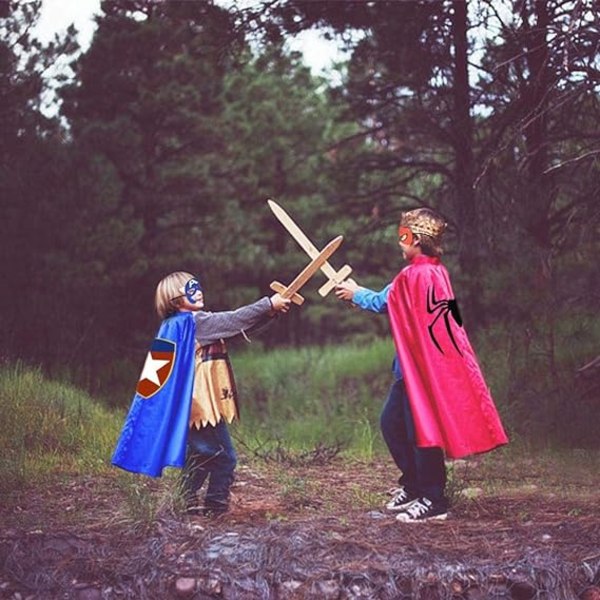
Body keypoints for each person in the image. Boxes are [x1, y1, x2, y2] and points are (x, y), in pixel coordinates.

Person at [335, 208, 508, 522]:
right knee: (392, 424)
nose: (400, 243)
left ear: (419, 240)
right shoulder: (429, 272)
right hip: (410, 371)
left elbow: (385, 302)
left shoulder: (419, 275)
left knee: (422, 433)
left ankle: (434, 499)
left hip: (424, 371)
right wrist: (357, 293)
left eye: (404, 237)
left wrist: (356, 293)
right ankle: (414, 486)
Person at [112, 271, 291, 516]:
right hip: (198, 405)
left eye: (198, 287)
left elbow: (236, 331)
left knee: (201, 455)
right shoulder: (194, 322)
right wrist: (268, 303)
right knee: (223, 456)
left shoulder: (176, 325)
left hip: (191, 404)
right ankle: (215, 508)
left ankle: (184, 504)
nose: (198, 291)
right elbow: (234, 320)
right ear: (175, 299)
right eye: (191, 289)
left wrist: (268, 314)